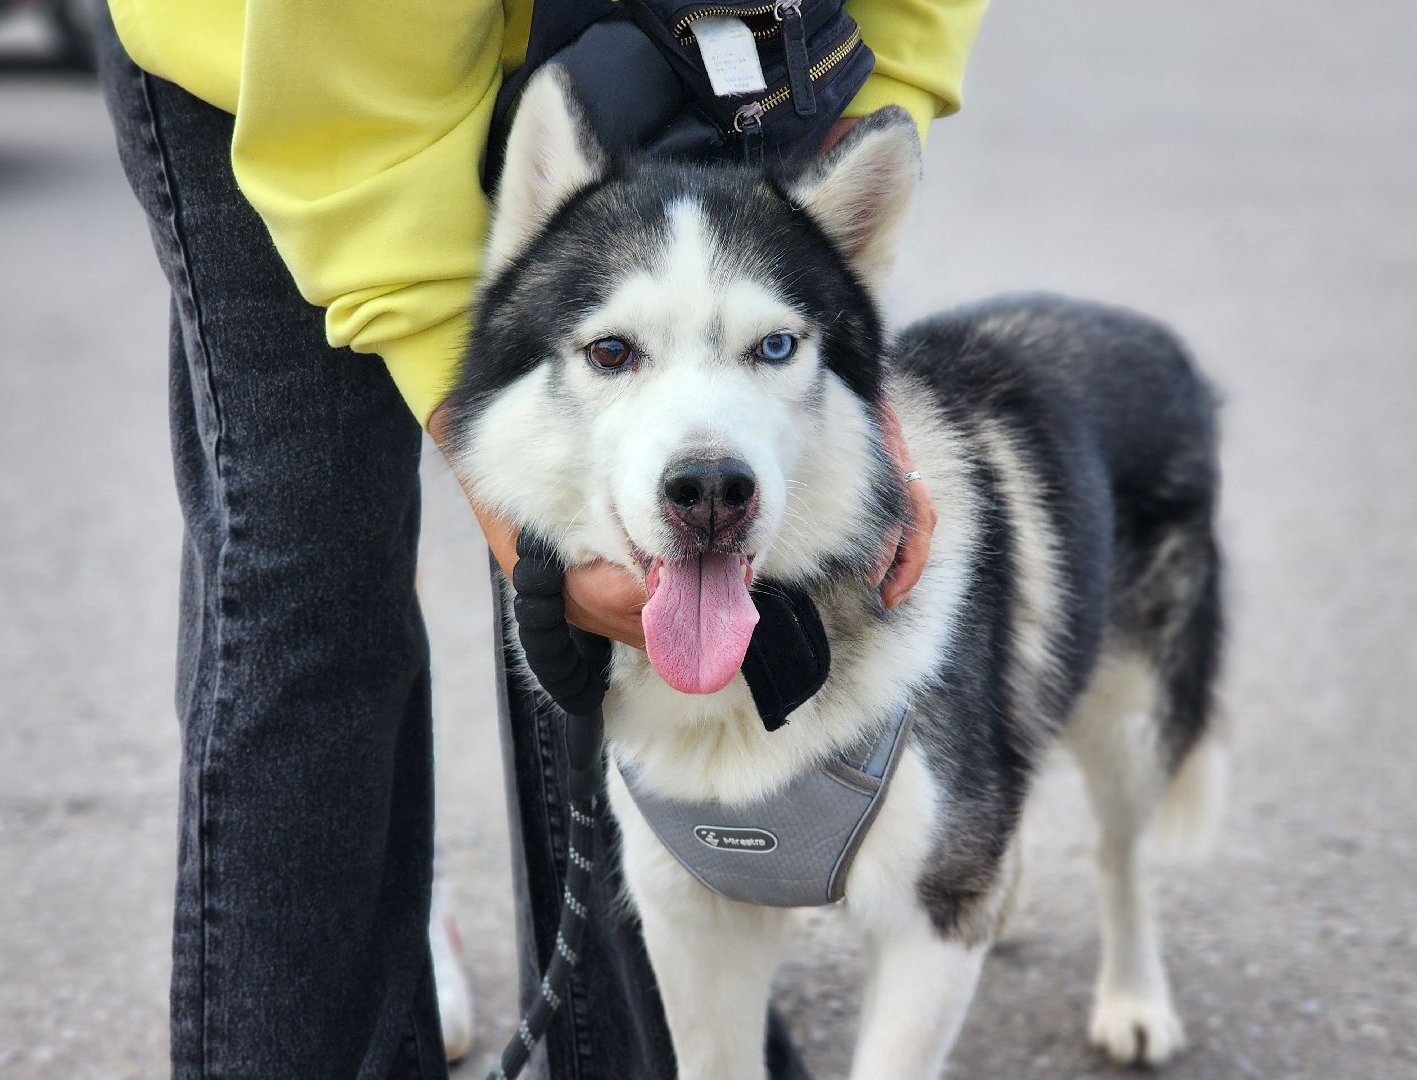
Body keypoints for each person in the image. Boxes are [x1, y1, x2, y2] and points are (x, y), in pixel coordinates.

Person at [95, 0, 987, 1076]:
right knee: (311, 568)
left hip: (663, 33)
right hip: (304, 65)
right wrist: (517, 525)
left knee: (620, 589)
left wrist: (832, 315)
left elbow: (905, 34)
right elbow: (346, 106)